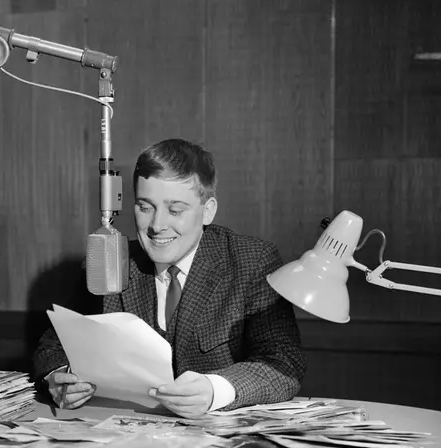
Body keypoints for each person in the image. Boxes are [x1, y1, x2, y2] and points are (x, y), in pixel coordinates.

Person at [33, 138, 306, 418]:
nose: (157, 225)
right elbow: (53, 346)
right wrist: (58, 377)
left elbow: (283, 362)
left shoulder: (253, 261)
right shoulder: (109, 259)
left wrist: (216, 390)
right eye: (145, 207)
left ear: (208, 210)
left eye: (175, 210)